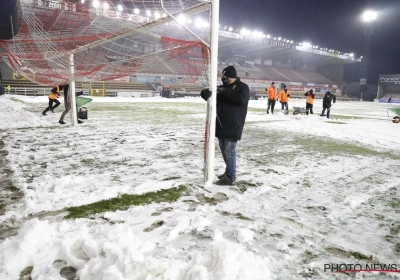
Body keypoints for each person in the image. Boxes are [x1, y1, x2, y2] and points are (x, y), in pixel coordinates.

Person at [200, 65, 249, 186]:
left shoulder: (243, 87)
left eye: (224, 76)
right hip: (221, 125)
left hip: (233, 125)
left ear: (229, 76)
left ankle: (230, 176)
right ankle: (228, 171)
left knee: (229, 151)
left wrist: (223, 91)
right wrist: (205, 93)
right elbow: (208, 95)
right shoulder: (223, 88)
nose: (222, 79)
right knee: (223, 150)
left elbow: (240, 99)